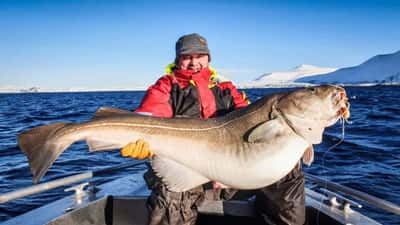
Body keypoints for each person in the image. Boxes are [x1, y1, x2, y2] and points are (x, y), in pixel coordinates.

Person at [121, 33, 305, 225]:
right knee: (169, 195)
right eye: (187, 57)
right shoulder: (165, 87)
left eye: (199, 56)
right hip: (188, 172)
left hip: (234, 172)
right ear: (178, 60)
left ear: (208, 58)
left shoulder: (226, 88)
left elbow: (252, 118)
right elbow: (146, 117)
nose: (194, 62)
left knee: (288, 172)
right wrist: (138, 142)